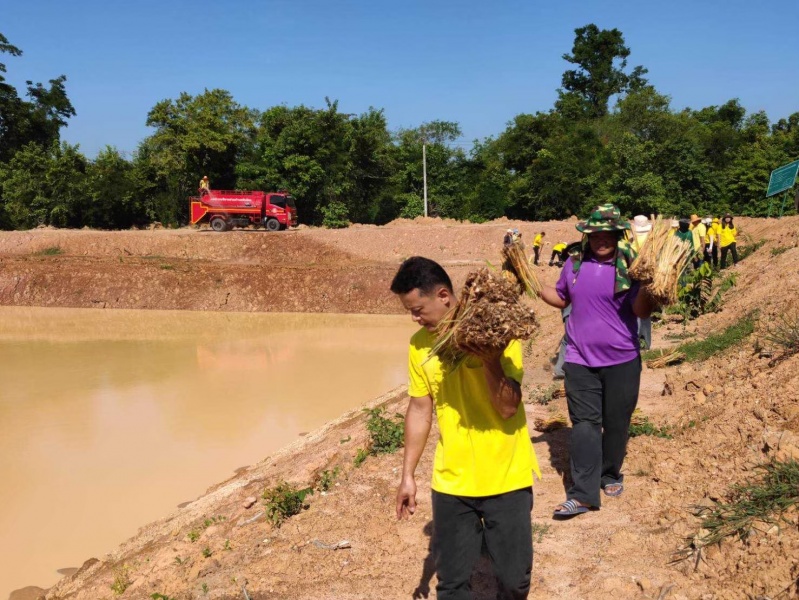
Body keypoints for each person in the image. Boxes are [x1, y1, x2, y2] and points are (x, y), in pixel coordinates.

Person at [391, 257, 540, 599]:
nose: (414, 318)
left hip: (506, 475)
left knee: (514, 581)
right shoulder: (419, 345)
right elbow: (420, 409)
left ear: (443, 296)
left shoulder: (499, 332)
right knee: (452, 584)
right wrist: (408, 475)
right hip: (452, 480)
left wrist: (488, 356)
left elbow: (507, 408)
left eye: (417, 310)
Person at [539, 204, 656, 517]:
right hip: (579, 359)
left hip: (622, 359)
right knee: (585, 425)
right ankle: (583, 494)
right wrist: (535, 285)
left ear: (617, 235)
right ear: (587, 236)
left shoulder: (630, 266)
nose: (601, 239)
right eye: (595, 234)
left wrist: (650, 286)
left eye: (608, 234)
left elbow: (641, 311)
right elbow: (562, 298)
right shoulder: (575, 264)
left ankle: (610, 473)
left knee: (616, 423)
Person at [631, 215, 653, 350]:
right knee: (646, 309)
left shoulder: (634, 241)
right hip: (650, 275)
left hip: (637, 276)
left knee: (637, 306)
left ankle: (637, 339)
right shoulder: (653, 239)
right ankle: (646, 342)